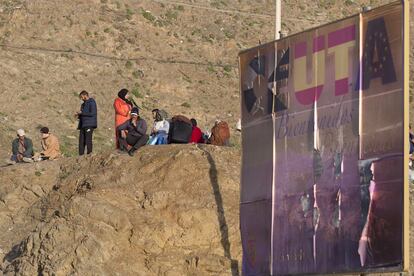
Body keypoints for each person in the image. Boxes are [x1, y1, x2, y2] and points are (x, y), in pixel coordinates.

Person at [76, 90, 97, 155]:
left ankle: (89, 154)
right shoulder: (83, 104)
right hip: (83, 124)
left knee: (88, 139)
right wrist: (78, 115)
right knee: (81, 140)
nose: (81, 99)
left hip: (89, 124)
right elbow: (83, 114)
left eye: (82, 97)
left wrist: (82, 113)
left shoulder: (92, 102)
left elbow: (93, 113)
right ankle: (81, 155)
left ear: (85, 95)